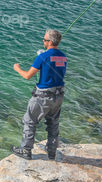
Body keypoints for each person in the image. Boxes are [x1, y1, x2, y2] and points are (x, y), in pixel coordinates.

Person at [12, 29, 67, 160]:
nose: (43, 41)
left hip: (43, 96)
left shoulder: (42, 57)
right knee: (53, 124)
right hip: (59, 96)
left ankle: (26, 150)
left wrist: (17, 68)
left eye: (44, 40)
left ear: (49, 42)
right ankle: (52, 152)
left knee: (30, 121)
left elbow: (27, 76)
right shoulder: (63, 57)